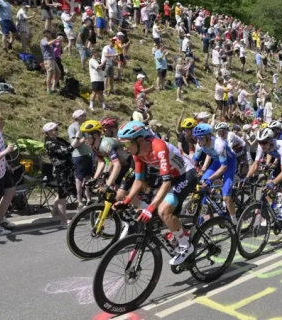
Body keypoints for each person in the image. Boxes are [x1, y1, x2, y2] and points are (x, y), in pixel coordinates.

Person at [115, 121, 199, 265]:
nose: (125, 148)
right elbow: (138, 181)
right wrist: (127, 200)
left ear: (140, 140)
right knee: (159, 210)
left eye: (127, 144)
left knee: (163, 210)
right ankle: (179, 231)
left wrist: (150, 208)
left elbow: (166, 183)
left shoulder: (158, 147)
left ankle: (186, 246)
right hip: (172, 177)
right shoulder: (137, 154)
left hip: (186, 174)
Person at [42, 122, 74, 226]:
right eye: (55, 129)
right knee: (62, 196)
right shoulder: (50, 143)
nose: (57, 130)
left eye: (57, 128)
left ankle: (54, 213)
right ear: (49, 132)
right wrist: (78, 139)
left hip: (66, 169)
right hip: (60, 171)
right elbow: (66, 150)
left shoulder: (58, 140)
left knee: (61, 193)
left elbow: (69, 146)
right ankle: (64, 220)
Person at [68, 109, 95, 206]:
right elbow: (74, 144)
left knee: (88, 177)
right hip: (78, 156)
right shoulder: (73, 127)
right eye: (82, 115)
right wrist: (84, 138)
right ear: (77, 117)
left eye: (85, 114)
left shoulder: (85, 125)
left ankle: (88, 197)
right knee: (79, 179)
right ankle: (79, 200)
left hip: (88, 154)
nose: (85, 116)